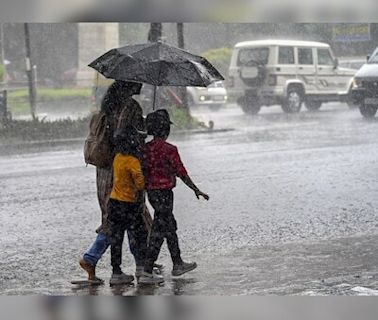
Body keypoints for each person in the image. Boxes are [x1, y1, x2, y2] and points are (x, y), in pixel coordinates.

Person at [79, 80, 154, 283]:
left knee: (115, 217)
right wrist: (146, 129)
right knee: (133, 216)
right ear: (129, 86)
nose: (141, 85)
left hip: (105, 171)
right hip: (122, 170)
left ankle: (140, 261)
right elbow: (126, 137)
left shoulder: (106, 107)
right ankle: (99, 259)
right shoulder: (130, 106)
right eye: (137, 82)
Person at [139, 109, 209, 284]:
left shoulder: (144, 150)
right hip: (165, 194)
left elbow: (143, 171)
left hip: (152, 194)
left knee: (169, 226)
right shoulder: (170, 150)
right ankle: (147, 270)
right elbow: (181, 172)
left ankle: (177, 263)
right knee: (159, 230)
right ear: (166, 130)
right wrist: (196, 189)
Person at [107, 124, 148, 285]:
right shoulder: (133, 161)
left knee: (116, 238)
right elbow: (140, 183)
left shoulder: (117, 158)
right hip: (129, 205)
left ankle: (116, 272)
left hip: (114, 203)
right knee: (140, 235)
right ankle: (141, 267)